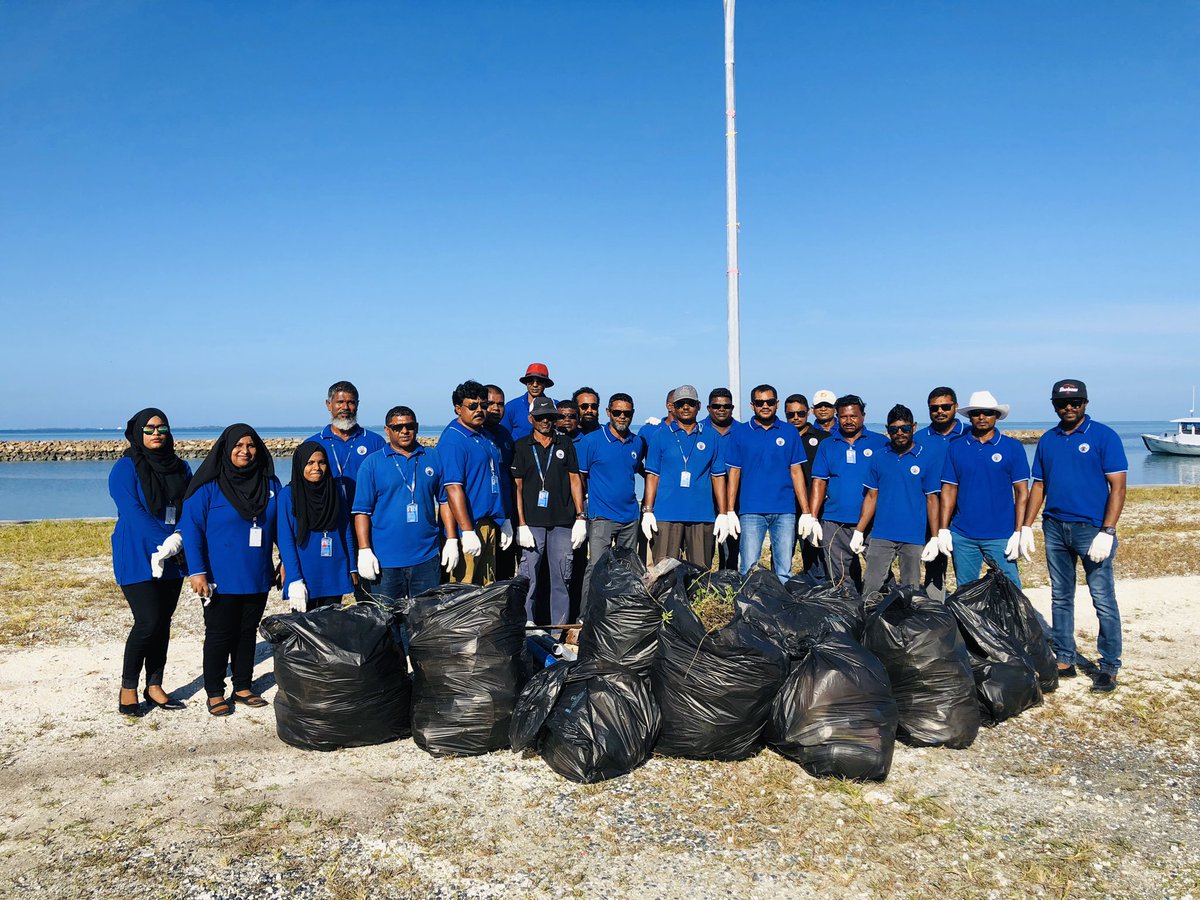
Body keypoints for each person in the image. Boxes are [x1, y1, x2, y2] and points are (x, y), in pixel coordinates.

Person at [1023, 380, 1128, 692]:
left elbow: (1118, 487)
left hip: (1092, 530)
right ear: (1054, 405)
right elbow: (1038, 485)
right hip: (1055, 527)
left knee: (1103, 598)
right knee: (1061, 595)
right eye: (1062, 403)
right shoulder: (1048, 439)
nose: (1069, 408)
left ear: (1085, 402)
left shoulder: (1103, 436)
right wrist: (1027, 525)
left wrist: (1107, 531)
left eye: (1076, 402)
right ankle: (1065, 659)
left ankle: (1109, 666)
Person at [180, 424, 282, 717]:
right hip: (218, 578)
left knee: (247, 632)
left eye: (251, 446)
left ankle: (242, 687)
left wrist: (285, 560)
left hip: (257, 574)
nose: (245, 451)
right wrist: (197, 571)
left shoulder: (270, 485)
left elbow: (281, 527)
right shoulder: (208, 487)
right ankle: (215, 691)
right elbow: (192, 529)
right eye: (238, 445)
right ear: (225, 449)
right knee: (219, 634)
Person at [109, 408, 192, 715]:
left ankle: (154, 684)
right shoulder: (125, 468)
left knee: (163, 622)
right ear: (137, 433)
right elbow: (133, 512)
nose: (157, 433)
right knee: (148, 621)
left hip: (174, 555)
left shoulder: (181, 468)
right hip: (137, 553)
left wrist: (180, 537)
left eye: (162, 428)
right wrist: (165, 540)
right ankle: (128, 686)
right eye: (150, 428)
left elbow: (191, 506)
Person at [354, 406, 458, 604]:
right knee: (387, 618)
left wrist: (451, 539)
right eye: (398, 427)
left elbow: (445, 501)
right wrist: (364, 550)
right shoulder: (372, 464)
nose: (404, 431)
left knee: (425, 616)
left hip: (426, 557)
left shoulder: (432, 457)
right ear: (387, 430)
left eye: (409, 426)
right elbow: (362, 512)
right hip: (386, 560)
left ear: (417, 427)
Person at [937, 390, 1031, 589]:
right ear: (969, 416)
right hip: (963, 535)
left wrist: (1019, 531)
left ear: (996, 415)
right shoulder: (956, 446)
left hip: (1002, 534)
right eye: (976, 412)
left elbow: (1022, 492)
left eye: (987, 412)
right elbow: (949, 490)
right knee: (966, 592)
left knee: (1011, 588)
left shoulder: (1012, 447)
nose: (981, 417)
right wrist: (943, 529)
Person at [725, 384, 816, 582]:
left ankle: (781, 608)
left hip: (784, 511)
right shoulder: (740, 432)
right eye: (760, 402)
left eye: (769, 402)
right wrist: (729, 510)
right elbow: (734, 472)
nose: (765, 406)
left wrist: (807, 512)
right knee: (748, 567)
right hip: (751, 511)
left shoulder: (789, 432)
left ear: (777, 404)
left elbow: (796, 472)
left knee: (784, 569)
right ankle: (747, 608)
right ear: (752, 405)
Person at [512, 397, 588, 632]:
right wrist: (521, 524)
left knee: (562, 578)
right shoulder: (522, 446)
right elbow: (518, 487)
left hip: (563, 522)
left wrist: (580, 517)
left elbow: (575, 480)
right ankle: (528, 626)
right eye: (540, 417)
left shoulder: (564, 443)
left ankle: (559, 630)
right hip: (533, 523)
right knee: (529, 577)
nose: (546, 421)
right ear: (530, 419)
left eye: (550, 417)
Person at [852, 405, 942, 597]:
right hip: (882, 533)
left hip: (914, 535)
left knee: (911, 588)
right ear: (888, 429)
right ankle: (869, 621)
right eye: (894, 429)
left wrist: (935, 537)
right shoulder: (879, 457)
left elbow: (932, 499)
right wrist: (859, 531)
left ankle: (909, 624)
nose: (899, 433)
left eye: (905, 428)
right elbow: (871, 496)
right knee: (871, 585)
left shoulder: (926, 457)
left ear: (914, 427)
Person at [641, 385, 729, 568]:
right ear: (673, 407)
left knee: (700, 571)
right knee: (663, 571)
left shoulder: (712, 437)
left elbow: (718, 476)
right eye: (681, 403)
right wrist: (648, 511)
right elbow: (652, 475)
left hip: (702, 514)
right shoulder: (660, 435)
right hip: (666, 514)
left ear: (698, 406)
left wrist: (723, 513)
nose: (686, 407)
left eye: (690, 403)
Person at [808, 394, 889, 590]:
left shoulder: (880, 443)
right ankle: (849, 612)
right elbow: (819, 481)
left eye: (853, 416)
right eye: (843, 417)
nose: (848, 421)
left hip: (873, 522)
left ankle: (882, 610)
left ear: (863, 415)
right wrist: (812, 517)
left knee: (880, 574)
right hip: (835, 520)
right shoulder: (828, 445)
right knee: (841, 576)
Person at [440, 380, 513, 585]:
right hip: (469, 525)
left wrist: (503, 517)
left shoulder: (485, 435)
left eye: (483, 405)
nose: (479, 410)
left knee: (486, 587)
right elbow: (453, 488)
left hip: (489, 522)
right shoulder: (454, 440)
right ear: (458, 408)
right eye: (472, 406)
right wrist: (466, 531)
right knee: (465, 590)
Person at [578, 392, 646, 606]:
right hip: (601, 517)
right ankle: (585, 617)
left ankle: (618, 615)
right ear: (608, 413)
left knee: (627, 570)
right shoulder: (591, 441)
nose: (622, 417)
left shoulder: (637, 443)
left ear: (632, 414)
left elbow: (636, 470)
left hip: (630, 517)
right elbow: (579, 477)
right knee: (597, 568)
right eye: (617, 412)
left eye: (627, 413)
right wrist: (582, 512)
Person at [277, 441, 356, 613]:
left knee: (331, 629)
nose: (317, 468)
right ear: (299, 464)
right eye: (310, 463)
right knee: (306, 631)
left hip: (334, 569)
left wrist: (352, 566)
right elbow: (286, 540)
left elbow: (346, 530)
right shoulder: (288, 495)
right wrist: (295, 578)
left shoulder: (334, 491)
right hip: (305, 574)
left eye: (321, 462)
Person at [915, 386, 964, 599]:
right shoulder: (919, 438)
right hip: (930, 510)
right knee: (934, 565)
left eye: (945, 406)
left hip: (964, 510)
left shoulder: (969, 434)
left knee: (964, 565)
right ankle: (935, 609)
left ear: (956, 406)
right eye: (934, 408)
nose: (940, 411)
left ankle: (966, 611)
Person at [306, 380, 386, 506]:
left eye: (351, 402)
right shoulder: (312, 443)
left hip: (366, 513)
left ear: (357, 405)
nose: (345, 408)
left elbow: (385, 481)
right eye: (340, 402)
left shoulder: (375, 442)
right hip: (327, 514)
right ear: (328, 404)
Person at [785, 393, 829, 575]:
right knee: (782, 551)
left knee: (814, 551)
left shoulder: (823, 438)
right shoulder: (781, 436)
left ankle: (816, 590)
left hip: (814, 507)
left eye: (800, 413)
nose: (796, 418)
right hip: (786, 506)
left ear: (808, 413)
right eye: (791, 414)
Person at [702, 387, 740, 570]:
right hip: (705, 499)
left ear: (732, 408)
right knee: (704, 546)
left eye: (726, 406)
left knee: (731, 546)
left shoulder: (742, 431)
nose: (721, 409)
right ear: (709, 408)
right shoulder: (699, 430)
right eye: (716, 406)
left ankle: (728, 582)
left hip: (736, 499)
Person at [485, 384, 518, 579]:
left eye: (500, 404)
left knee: (505, 571)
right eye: (491, 403)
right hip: (484, 517)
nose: (496, 408)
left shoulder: (505, 435)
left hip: (507, 513)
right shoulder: (476, 435)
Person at [502, 363, 555, 441]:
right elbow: (504, 436)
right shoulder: (511, 407)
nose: (535, 384)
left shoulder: (555, 406)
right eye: (531, 381)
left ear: (545, 384)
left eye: (539, 381)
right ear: (526, 383)